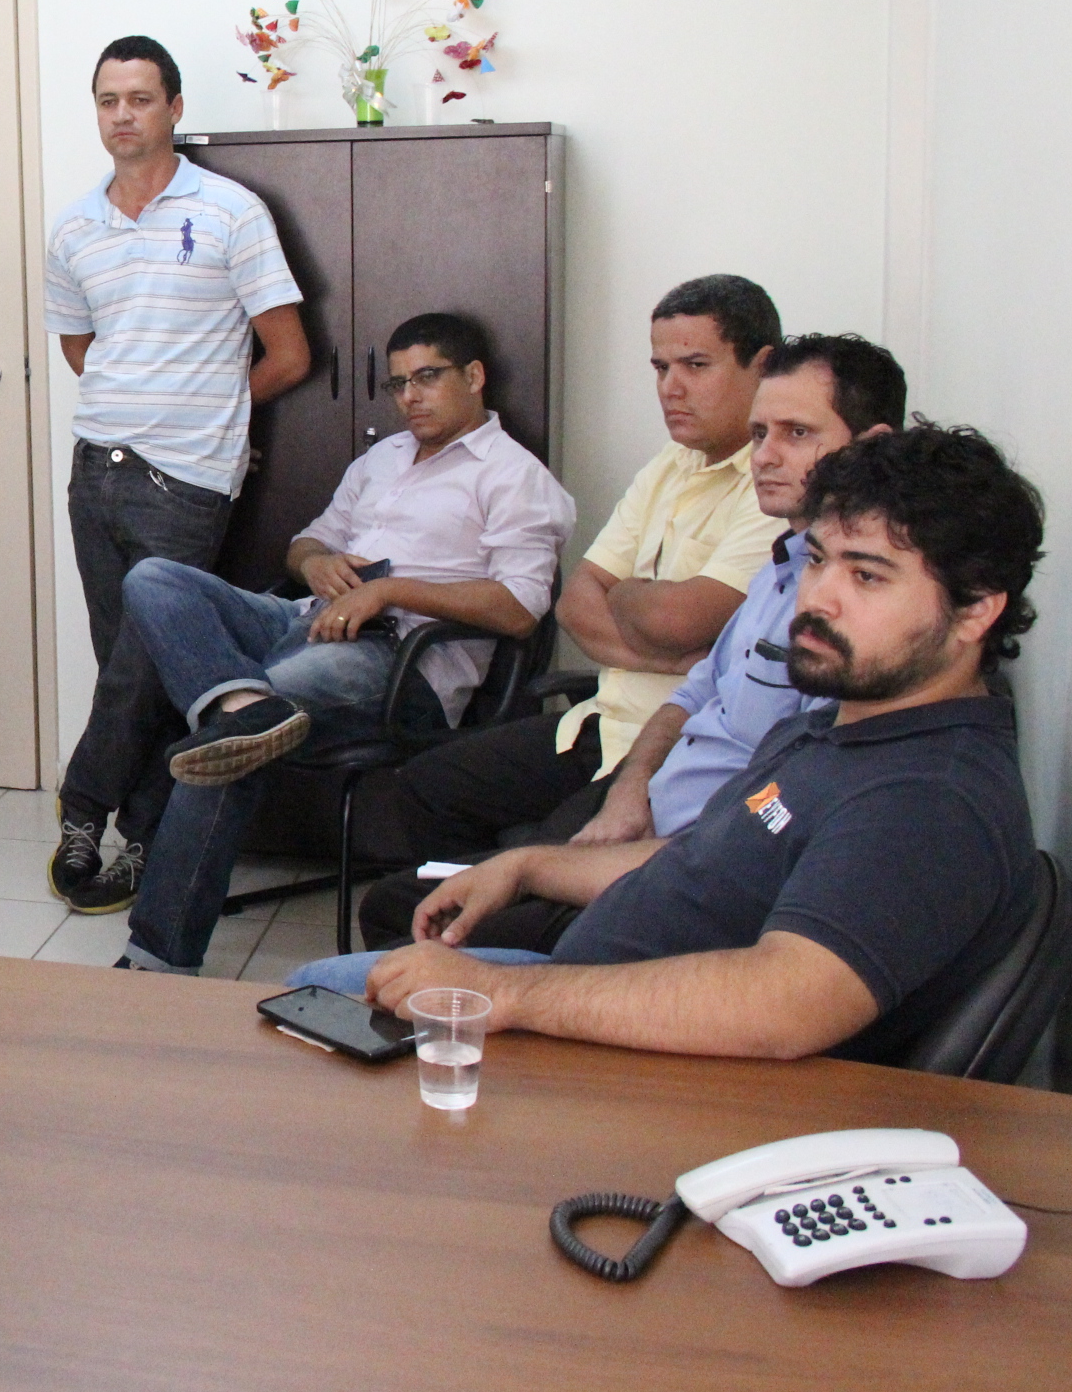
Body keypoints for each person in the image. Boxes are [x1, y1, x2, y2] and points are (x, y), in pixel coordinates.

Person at [288, 424, 1042, 1067]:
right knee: (312, 998)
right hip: (594, 1000)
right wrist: (528, 866)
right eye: (818, 560)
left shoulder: (926, 799)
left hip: (649, 1072)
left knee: (313, 1029)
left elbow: (785, 1004)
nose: (818, 598)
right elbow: (710, 854)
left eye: (868, 577)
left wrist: (506, 995)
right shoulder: (841, 726)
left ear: (975, 611)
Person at [355, 333, 907, 952]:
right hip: (638, 778)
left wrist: (625, 595)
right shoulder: (781, 565)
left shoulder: (847, 613)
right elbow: (679, 679)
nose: (766, 457)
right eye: (760, 435)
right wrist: (631, 786)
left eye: (797, 434)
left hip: (680, 870)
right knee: (422, 851)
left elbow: (769, 823)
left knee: (410, 913)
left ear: (871, 447)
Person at [68, 318, 577, 975]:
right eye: (399, 383)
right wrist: (315, 565)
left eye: (427, 377)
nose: (410, 396)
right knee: (153, 580)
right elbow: (308, 541)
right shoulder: (383, 458)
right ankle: (244, 704)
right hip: (304, 616)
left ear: (474, 377)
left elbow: (521, 608)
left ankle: (157, 956)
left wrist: (389, 592)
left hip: (400, 660)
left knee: (225, 748)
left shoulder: (514, 476)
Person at [387, 274, 784, 867]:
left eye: (696, 366)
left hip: (678, 744)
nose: (671, 388)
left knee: (550, 863)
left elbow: (678, 619)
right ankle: (459, 919)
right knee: (425, 787)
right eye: (660, 368)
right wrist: (665, 649)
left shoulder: (775, 482)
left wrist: (624, 595)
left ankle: (499, 918)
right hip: (599, 722)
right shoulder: (672, 463)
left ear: (764, 366)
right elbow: (575, 604)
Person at [47, 35, 310, 887]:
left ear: (175, 107)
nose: (122, 115)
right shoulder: (74, 227)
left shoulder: (232, 210)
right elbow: (82, 347)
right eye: (108, 101)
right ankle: (146, 835)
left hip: (188, 479)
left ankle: (85, 808)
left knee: (142, 664)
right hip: (96, 470)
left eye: (140, 98)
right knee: (127, 661)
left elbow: (289, 355)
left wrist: (210, 407)